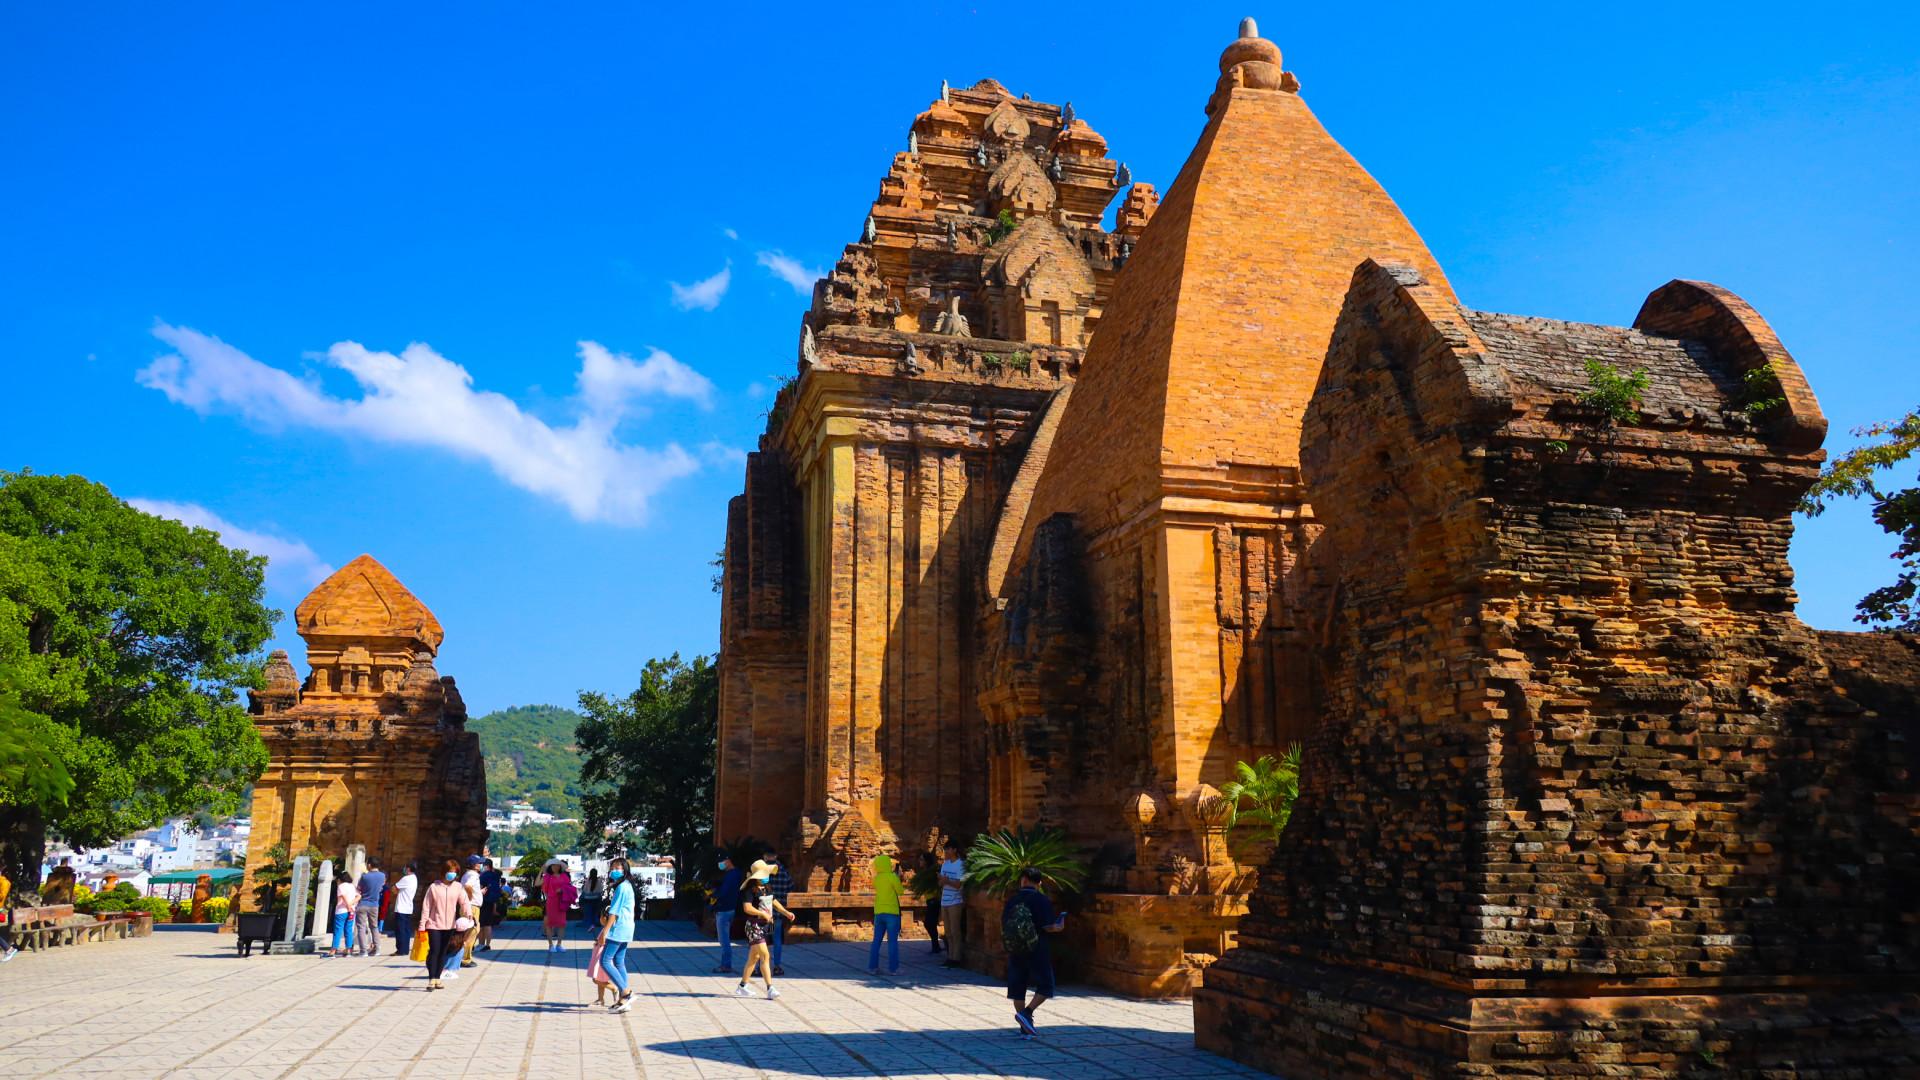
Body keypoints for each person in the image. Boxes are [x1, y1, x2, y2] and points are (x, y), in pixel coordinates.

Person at [1003, 866, 1066, 1038]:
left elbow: (1004, 923)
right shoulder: (1042, 900)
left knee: (1017, 988)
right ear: (1039, 884)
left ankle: (1025, 1029)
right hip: (1036, 948)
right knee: (1046, 985)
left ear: (1023, 880)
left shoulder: (1012, 900)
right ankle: (1027, 1013)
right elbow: (1048, 927)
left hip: (1015, 949)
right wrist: (1058, 927)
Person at [419, 859, 475, 991]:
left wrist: (469, 913)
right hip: (433, 924)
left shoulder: (458, 887)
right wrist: (422, 924)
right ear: (444, 872)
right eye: (451, 871)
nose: (453, 874)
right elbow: (426, 906)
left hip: (449, 925)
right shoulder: (434, 887)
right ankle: (432, 978)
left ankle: (438, 978)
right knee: (434, 951)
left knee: (443, 952)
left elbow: (464, 901)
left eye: (455, 872)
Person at [733, 879, 790, 1000]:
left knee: (754, 957)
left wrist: (786, 912)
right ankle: (770, 988)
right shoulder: (749, 891)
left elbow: (774, 902)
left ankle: (742, 986)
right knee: (765, 955)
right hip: (754, 926)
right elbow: (747, 908)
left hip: (765, 927)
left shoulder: (767, 889)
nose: (765, 877)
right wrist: (762, 913)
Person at [599, 857, 636, 1013]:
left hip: (619, 928)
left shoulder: (622, 888)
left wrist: (604, 932)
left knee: (605, 961)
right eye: (612, 868)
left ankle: (626, 992)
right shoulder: (627, 886)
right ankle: (624, 999)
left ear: (625, 869)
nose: (614, 871)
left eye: (618, 868)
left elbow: (614, 912)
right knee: (619, 961)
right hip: (627, 927)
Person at [868, 853, 904, 976]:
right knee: (892, 941)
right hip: (892, 912)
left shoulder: (877, 878)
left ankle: (873, 967)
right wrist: (897, 878)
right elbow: (900, 891)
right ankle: (894, 969)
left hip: (878, 911)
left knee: (876, 941)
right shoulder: (892, 877)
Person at [709, 854, 742, 974]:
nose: (720, 864)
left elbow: (724, 891)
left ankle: (726, 965)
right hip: (731, 908)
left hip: (724, 910)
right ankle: (725, 963)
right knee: (725, 938)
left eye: (722, 861)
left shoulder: (731, 875)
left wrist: (712, 895)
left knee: (724, 939)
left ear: (728, 861)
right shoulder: (737, 873)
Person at [762, 850, 793, 976]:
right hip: (779, 910)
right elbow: (791, 886)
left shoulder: (764, 872)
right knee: (777, 939)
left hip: (765, 910)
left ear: (766, 858)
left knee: (762, 939)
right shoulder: (783, 872)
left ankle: (761, 966)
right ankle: (777, 965)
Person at [939, 839, 966, 969]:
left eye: (948, 849)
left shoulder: (960, 865)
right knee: (948, 932)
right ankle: (950, 957)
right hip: (944, 901)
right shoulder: (945, 865)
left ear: (954, 850)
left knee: (955, 931)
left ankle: (957, 958)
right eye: (945, 850)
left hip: (955, 901)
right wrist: (943, 880)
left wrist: (946, 880)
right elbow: (940, 884)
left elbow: (958, 884)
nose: (946, 852)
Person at [541, 860, 577, 952]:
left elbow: (569, 887)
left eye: (557, 866)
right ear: (550, 867)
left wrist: (562, 889)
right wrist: (540, 871)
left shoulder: (564, 876)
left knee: (562, 924)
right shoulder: (548, 877)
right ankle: (550, 945)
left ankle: (559, 944)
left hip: (561, 901)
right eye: (553, 866)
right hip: (551, 901)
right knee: (550, 923)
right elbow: (537, 883)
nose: (555, 867)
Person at [354, 857, 386, 957]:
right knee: (374, 927)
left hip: (363, 903)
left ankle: (363, 950)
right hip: (374, 904)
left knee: (361, 927)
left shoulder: (365, 876)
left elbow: (359, 888)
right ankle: (376, 949)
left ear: (369, 865)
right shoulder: (382, 875)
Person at [458, 855, 484, 967]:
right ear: (476, 865)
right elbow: (468, 886)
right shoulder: (473, 875)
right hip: (472, 907)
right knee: (472, 930)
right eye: (480, 863)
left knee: (467, 931)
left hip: (468, 905)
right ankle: (465, 958)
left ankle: (462, 956)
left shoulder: (467, 874)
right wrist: (471, 896)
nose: (481, 865)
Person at [390, 861, 419, 956]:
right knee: (406, 929)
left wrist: (396, 891)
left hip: (401, 907)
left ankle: (400, 950)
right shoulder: (414, 878)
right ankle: (405, 949)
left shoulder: (406, 879)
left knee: (400, 930)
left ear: (409, 869)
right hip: (408, 907)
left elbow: (394, 888)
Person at [917, 851, 942, 956]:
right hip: (930, 900)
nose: (919, 861)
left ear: (927, 861)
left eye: (921, 859)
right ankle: (935, 946)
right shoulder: (926, 872)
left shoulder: (932, 873)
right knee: (930, 923)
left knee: (929, 923)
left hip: (934, 900)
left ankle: (936, 946)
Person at [477, 858, 505, 952]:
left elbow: (480, 888)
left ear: (486, 866)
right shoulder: (496, 875)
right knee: (488, 924)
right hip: (492, 901)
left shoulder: (483, 876)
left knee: (481, 924)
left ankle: (481, 944)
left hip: (483, 900)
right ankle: (488, 945)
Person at [329, 872, 359, 957]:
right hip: (351, 911)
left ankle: (333, 951)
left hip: (341, 910)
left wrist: (347, 904)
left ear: (339, 879)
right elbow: (359, 896)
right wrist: (351, 904)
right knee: (349, 930)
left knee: (338, 931)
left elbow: (343, 896)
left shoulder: (341, 886)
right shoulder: (352, 886)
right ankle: (348, 950)